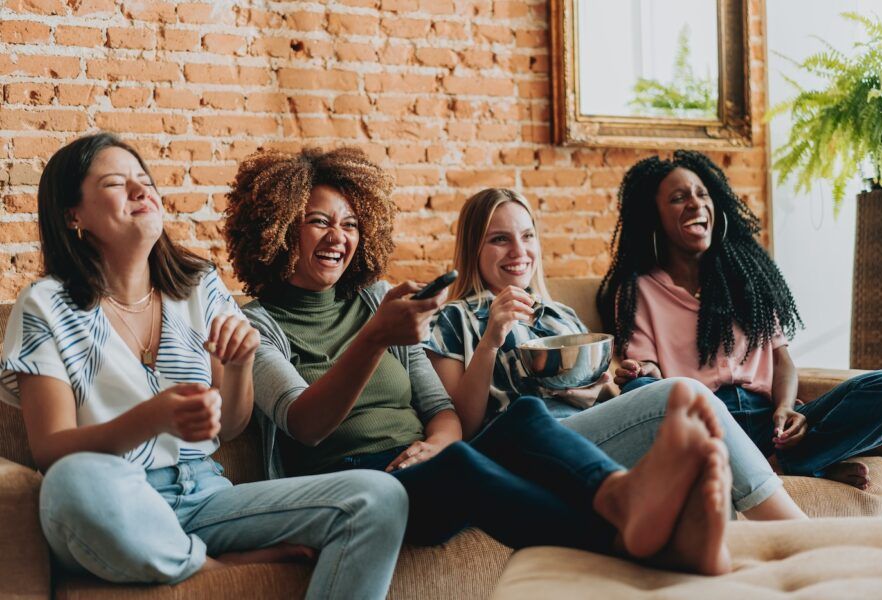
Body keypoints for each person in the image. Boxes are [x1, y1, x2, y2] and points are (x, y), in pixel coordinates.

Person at [225, 147, 736, 576]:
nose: (339, 236)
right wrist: (375, 339)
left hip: (421, 460)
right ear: (278, 227)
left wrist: (434, 445)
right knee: (466, 465)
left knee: (525, 418)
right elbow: (305, 424)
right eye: (320, 222)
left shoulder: (377, 298)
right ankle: (637, 539)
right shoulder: (257, 324)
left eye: (351, 224)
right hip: (351, 481)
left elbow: (440, 409)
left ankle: (622, 497)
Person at [0, 133, 409, 599]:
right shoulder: (45, 306)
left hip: (207, 496)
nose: (141, 191)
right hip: (116, 498)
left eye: (143, 179)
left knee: (377, 497)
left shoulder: (198, 285)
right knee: (71, 483)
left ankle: (185, 552)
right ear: (73, 215)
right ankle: (204, 562)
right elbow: (53, 450)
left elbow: (232, 426)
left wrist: (237, 367)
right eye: (116, 183)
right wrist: (152, 418)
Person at [425, 187, 806, 521]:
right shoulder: (452, 319)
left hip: (591, 438)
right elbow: (462, 424)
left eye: (527, 236)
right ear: (474, 246)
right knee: (682, 395)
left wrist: (605, 387)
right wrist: (492, 337)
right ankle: (797, 531)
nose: (519, 251)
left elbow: (602, 395)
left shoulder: (561, 315)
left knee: (697, 450)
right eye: (499, 240)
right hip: (522, 448)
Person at [597, 149, 882, 490]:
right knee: (641, 391)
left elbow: (781, 359)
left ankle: (782, 463)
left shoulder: (746, 278)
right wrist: (643, 371)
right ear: (655, 217)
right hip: (705, 423)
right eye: (679, 198)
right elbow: (650, 376)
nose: (696, 204)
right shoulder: (639, 290)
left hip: (767, 422)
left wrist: (786, 409)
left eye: (702, 194)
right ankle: (805, 465)